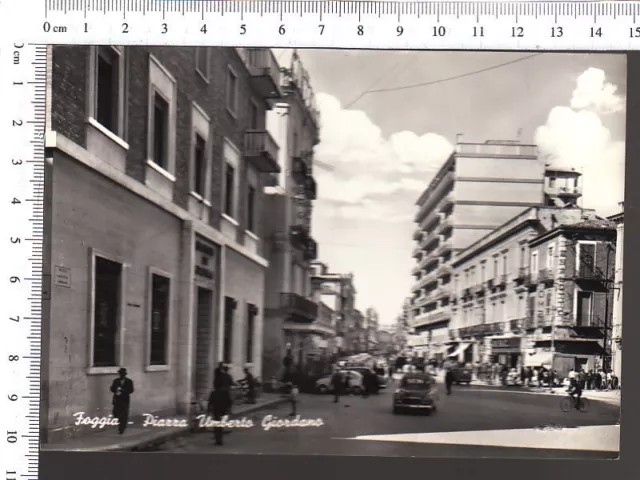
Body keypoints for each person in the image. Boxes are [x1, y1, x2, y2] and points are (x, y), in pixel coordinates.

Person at [110, 368, 134, 434]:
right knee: (115, 412)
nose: (121, 375)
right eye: (120, 374)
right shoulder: (116, 381)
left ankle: (122, 428)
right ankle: (120, 423)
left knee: (124, 415)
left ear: (125, 375)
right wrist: (116, 389)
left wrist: (123, 391)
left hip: (125, 400)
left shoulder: (129, 381)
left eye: (122, 374)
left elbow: (131, 390)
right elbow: (112, 389)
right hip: (117, 399)